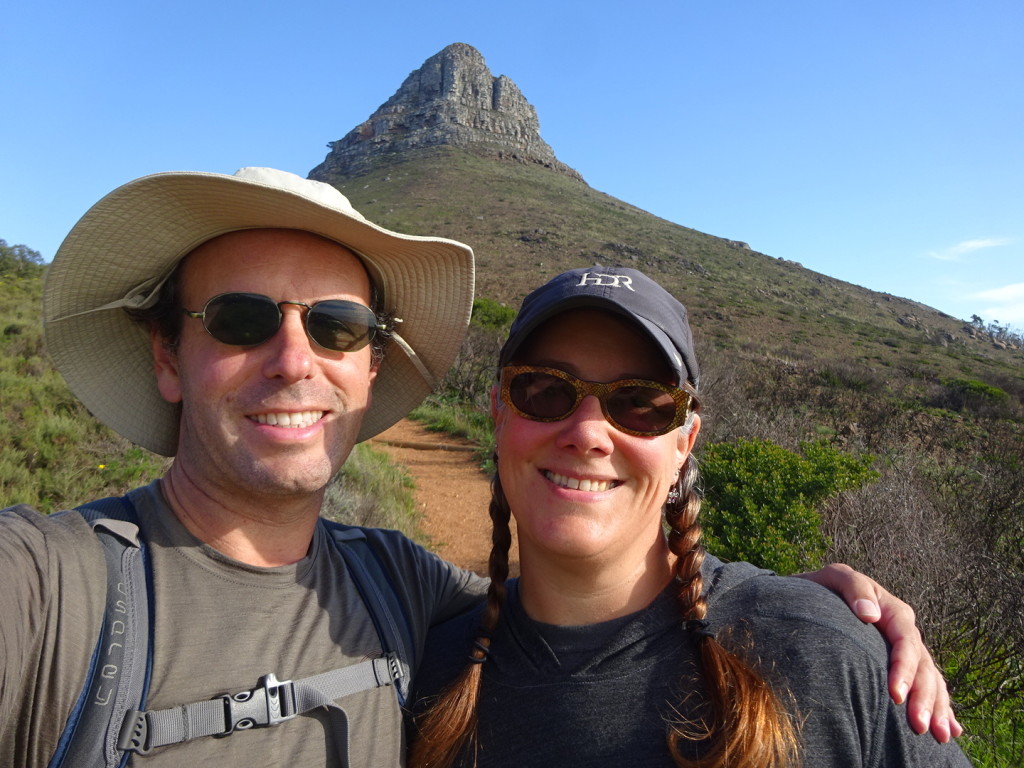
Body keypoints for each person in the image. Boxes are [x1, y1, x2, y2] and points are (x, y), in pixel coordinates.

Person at [0, 168, 953, 768]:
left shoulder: (402, 593)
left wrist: (841, 613)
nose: (294, 361)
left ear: (368, 367)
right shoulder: (56, 591)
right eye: (244, 321)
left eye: (335, 326)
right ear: (168, 355)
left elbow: (588, 600)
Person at [409, 267, 971, 767]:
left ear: (685, 442)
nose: (586, 435)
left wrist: (819, 615)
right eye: (546, 391)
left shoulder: (819, 651)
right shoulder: (423, 673)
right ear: (498, 412)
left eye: (641, 403)